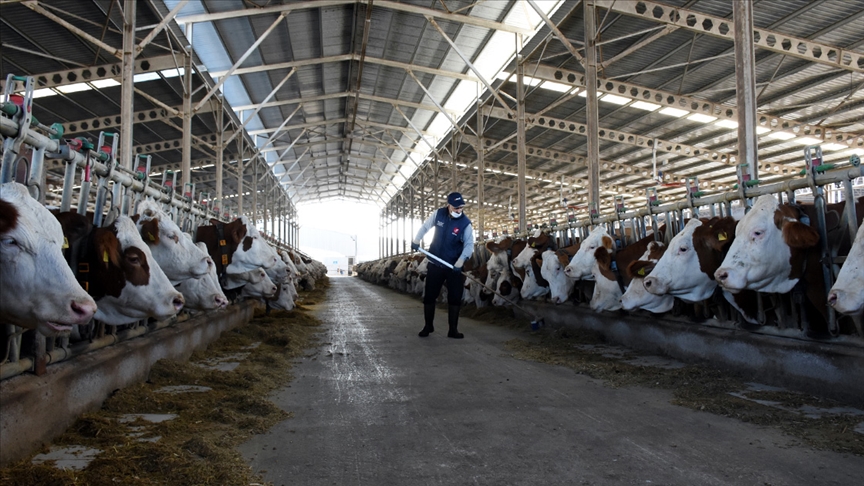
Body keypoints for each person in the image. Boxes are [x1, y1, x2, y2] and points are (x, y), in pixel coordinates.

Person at [411, 192, 475, 339]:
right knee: (429, 296)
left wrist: (461, 261)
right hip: (435, 263)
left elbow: (469, 245)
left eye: (461, 207)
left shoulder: (465, 223)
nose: (459, 210)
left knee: (454, 298)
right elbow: (425, 227)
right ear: (449, 205)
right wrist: (417, 239)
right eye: (456, 207)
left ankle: (453, 329)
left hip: (454, 266)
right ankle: (428, 326)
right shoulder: (438, 214)